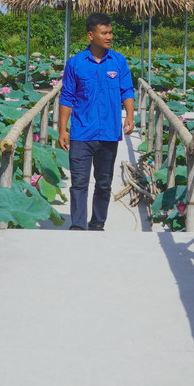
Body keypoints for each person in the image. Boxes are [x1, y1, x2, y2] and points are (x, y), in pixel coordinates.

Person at [58, 12, 135, 231]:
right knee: (79, 183)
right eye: (104, 33)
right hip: (82, 132)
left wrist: (130, 116)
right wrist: (62, 130)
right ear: (91, 35)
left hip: (109, 132)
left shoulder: (118, 61)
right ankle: (78, 225)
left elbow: (127, 90)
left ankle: (98, 222)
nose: (109, 36)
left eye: (110, 32)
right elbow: (67, 97)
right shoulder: (75, 64)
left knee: (103, 183)